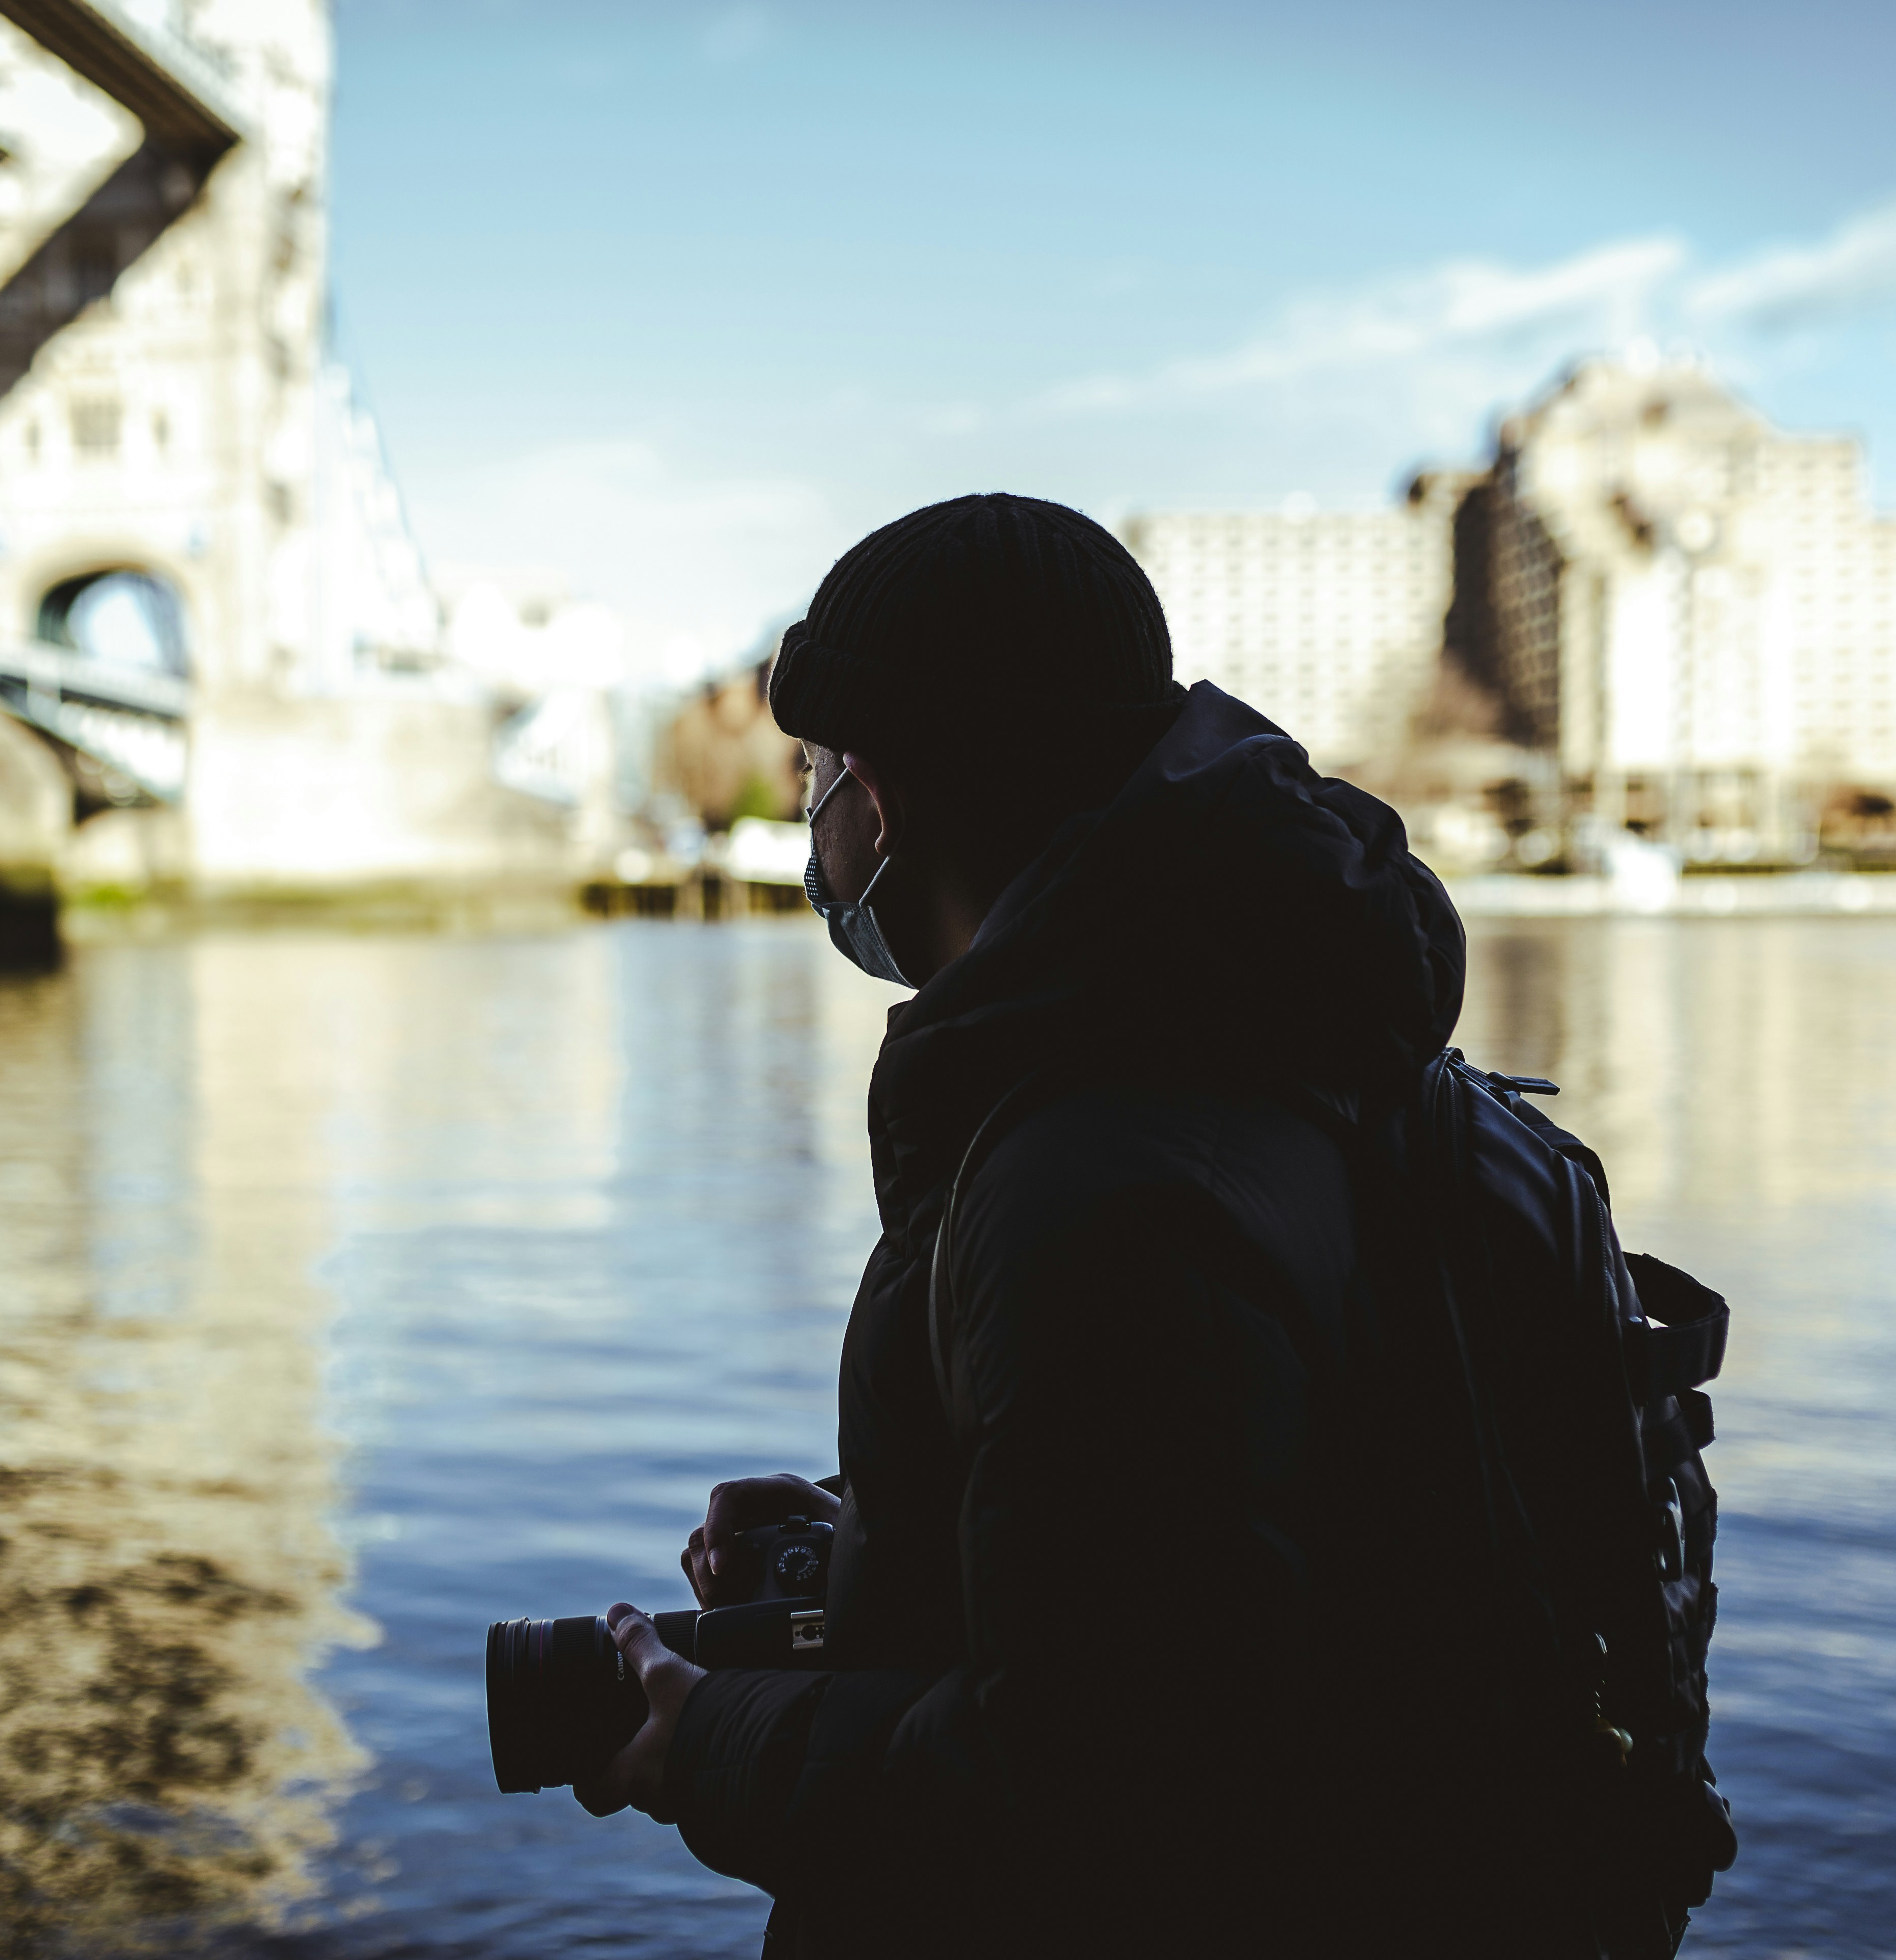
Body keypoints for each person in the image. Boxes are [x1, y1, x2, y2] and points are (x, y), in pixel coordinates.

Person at [577, 494, 1555, 1956]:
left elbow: (1102, 1790)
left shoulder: (1100, 1185)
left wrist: (712, 1744)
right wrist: (878, 1540)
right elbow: (1174, 1563)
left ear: (886, 793)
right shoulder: (1219, 1048)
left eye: (815, 773)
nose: (812, 818)